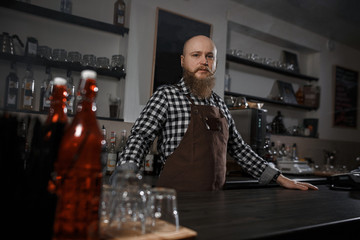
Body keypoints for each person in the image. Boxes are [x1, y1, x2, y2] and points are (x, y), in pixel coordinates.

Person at [116, 35, 318, 192]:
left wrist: (280, 178)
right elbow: (141, 137)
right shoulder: (167, 95)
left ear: (215, 63)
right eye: (196, 55)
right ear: (183, 61)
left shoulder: (220, 105)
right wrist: (126, 174)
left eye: (209, 56)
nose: (203, 61)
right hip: (174, 200)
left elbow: (239, 149)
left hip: (214, 201)